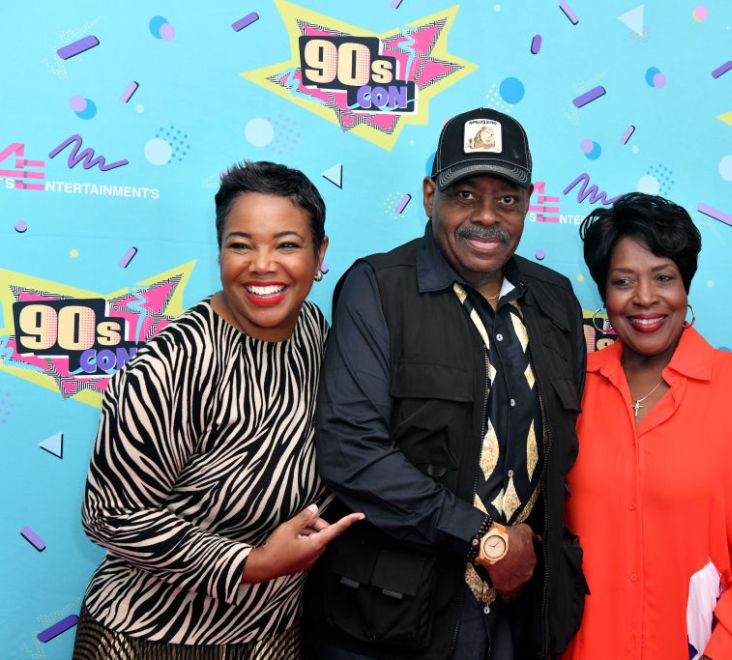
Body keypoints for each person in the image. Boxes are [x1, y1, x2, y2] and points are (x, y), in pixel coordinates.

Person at [303, 108, 588, 659]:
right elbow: (353, 452)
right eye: (464, 195)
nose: (487, 217)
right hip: (389, 622)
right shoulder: (377, 288)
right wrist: (486, 538)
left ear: (528, 204)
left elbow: (562, 460)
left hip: (516, 618)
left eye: (506, 199)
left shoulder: (555, 303)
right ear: (431, 194)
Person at [73, 161, 363, 659]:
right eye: (241, 244)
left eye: (287, 244)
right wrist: (249, 564)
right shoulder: (175, 363)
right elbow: (109, 516)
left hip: (269, 637)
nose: (262, 264)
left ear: (321, 255)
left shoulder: (316, 331)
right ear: (220, 252)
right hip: (147, 638)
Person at [565, 193, 732, 659]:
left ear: (685, 285)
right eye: (623, 281)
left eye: (664, 278)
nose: (646, 298)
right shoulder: (573, 390)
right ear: (604, 293)